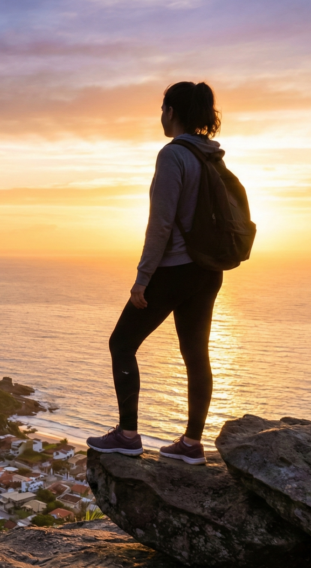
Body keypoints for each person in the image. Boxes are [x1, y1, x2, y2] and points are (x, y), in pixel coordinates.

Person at [87, 81, 225, 465]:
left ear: (171, 111)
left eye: (162, 109)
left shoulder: (173, 155)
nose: (160, 117)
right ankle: (192, 443)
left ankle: (128, 435)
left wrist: (142, 278)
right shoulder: (213, 156)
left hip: (174, 270)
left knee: (121, 343)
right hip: (208, 271)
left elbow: (160, 225)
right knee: (196, 354)